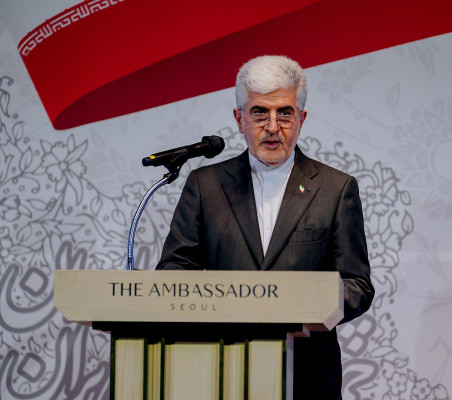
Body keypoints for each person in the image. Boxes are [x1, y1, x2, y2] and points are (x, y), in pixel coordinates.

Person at [156, 55, 374, 399]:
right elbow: (173, 271)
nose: (273, 126)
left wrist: (301, 305)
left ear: (301, 119)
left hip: (306, 377)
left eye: (284, 113)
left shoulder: (336, 188)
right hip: (221, 371)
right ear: (239, 119)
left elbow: (357, 286)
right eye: (260, 112)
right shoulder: (205, 185)